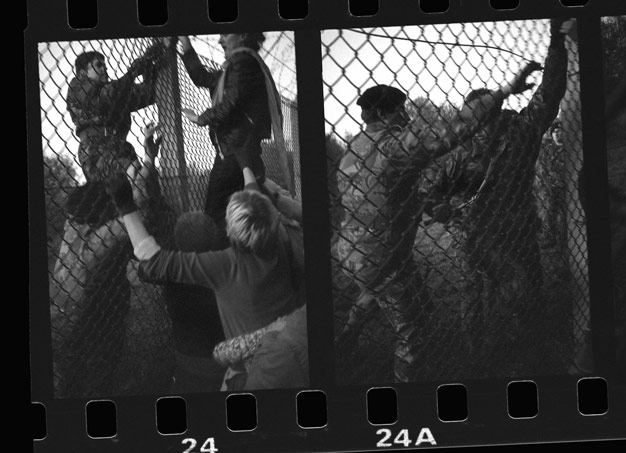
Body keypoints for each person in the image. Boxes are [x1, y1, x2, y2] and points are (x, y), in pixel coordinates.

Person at [333, 61, 540, 383]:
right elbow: (453, 132)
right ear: (388, 114)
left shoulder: (354, 148)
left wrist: (421, 206)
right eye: (403, 112)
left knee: (392, 292)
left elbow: (377, 193)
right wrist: (504, 91)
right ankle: (408, 390)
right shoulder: (394, 146)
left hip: (352, 250)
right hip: (384, 252)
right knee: (412, 328)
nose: (408, 117)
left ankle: (346, 338)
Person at [431, 18, 571, 367]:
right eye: (468, 119)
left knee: (526, 292)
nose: (471, 126)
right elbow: (430, 197)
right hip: (477, 236)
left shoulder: (520, 131)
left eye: (477, 118)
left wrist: (556, 43)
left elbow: (549, 91)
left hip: (519, 230)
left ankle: (525, 347)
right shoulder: (462, 154)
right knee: (476, 295)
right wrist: (443, 210)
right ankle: (478, 354)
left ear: (493, 114)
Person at [107, 162, 303, 391]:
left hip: (258, 369)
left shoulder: (226, 264)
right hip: (292, 348)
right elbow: (255, 202)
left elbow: (151, 259)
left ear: (229, 232)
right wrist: (245, 165)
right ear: (272, 216)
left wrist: (125, 204)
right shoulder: (279, 238)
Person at [49, 124, 172, 398]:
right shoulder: (95, 241)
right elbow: (135, 210)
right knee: (93, 372)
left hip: (74, 313)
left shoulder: (76, 220)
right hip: (83, 317)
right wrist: (144, 166)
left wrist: (146, 161)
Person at [175, 34, 290, 248]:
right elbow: (203, 78)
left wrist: (201, 118)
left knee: (215, 214)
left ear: (244, 35)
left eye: (225, 35)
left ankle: (225, 266)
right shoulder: (234, 69)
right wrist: (187, 46)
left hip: (235, 152)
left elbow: (231, 101)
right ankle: (243, 257)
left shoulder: (243, 62)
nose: (220, 41)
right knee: (239, 213)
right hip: (237, 151)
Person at [66, 42, 165, 183]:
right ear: (83, 73)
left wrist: (148, 64)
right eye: (98, 65)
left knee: (145, 186)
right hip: (96, 151)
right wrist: (132, 73)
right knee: (134, 182)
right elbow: (105, 97)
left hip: (121, 147)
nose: (104, 69)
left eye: (105, 65)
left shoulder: (117, 90)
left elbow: (148, 94)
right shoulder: (78, 87)